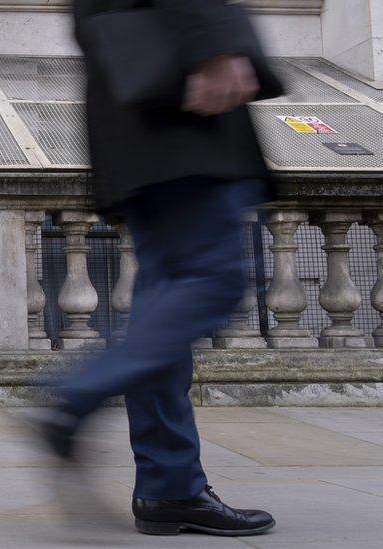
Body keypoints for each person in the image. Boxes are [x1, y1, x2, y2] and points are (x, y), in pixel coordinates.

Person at [36, 0, 278, 537]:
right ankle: (78, 393)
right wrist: (213, 42)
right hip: (185, 105)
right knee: (213, 282)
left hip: (134, 113)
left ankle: (170, 488)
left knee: (163, 306)